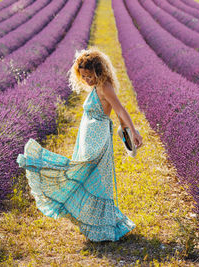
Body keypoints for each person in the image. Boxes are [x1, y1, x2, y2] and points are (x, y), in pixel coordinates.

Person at [16, 46, 143, 242]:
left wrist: (132, 131)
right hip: (88, 138)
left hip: (98, 139)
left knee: (82, 173)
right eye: (83, 76)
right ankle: (96, 222)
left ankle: (37, 164)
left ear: (98, 70)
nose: (87, 80)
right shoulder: (95, 87)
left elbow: (120, 111)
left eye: (89, 75)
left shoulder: (105, 87)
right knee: (83, 176)